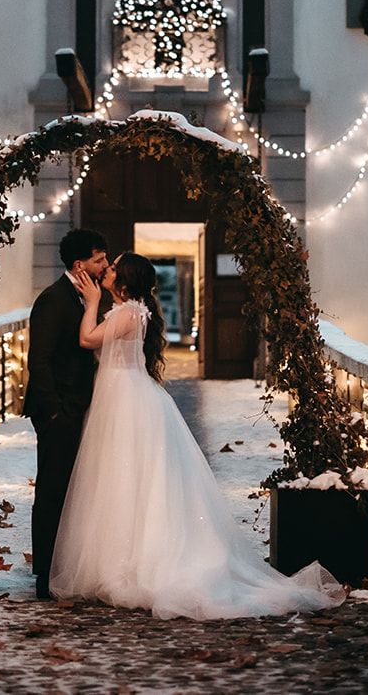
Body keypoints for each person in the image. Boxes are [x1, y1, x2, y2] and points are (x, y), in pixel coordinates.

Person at [50, 252, 346, 619]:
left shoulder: (127, 312)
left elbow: (86, 339)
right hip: (121, 394)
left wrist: (92, 301)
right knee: (120, 475)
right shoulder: (131, 309)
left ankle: (134, 561)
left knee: (127, 474)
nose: (105, 271)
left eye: (112, 269)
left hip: (125, 397)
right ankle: (118, 556)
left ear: (123, 283)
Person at [22, 228, 109, 601]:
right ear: (80, 265)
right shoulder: (53, 300)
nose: (105, 265)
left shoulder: (89, 296)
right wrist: (55, 413)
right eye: (99, 260)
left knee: (76, 492)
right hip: (60, 412)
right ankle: (44, 575)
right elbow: (38, 361)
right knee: (53, 491)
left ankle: (66, 566)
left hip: (82, 408)